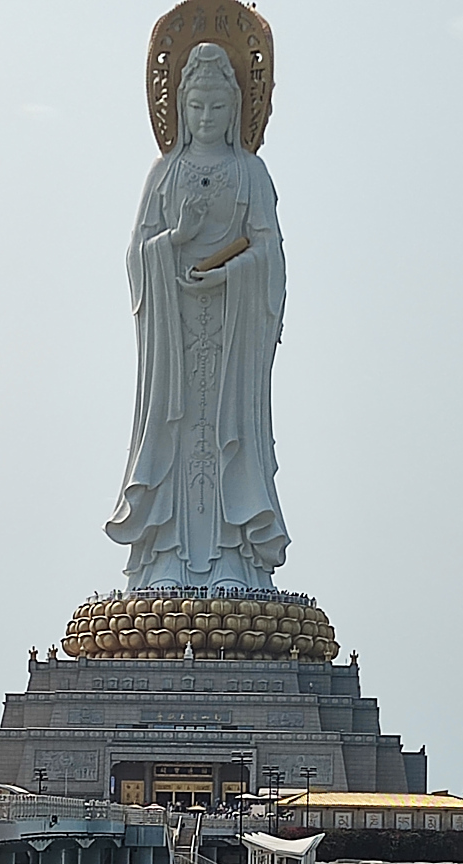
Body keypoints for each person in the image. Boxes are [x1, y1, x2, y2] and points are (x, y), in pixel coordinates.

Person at [105, 42, 289, 591]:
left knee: (229, 432)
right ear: (181, 109)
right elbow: (138, 255)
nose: (206, 119)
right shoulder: (165, 173)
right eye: (197, 107)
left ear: (235, 111)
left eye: (217, 108)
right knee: (178, 432)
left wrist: (234, 273)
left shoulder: (250, 172)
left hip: (232, 335)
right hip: (175, 336)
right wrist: (177, 240)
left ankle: (234, 556)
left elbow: (270, 253)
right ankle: (167, 557)